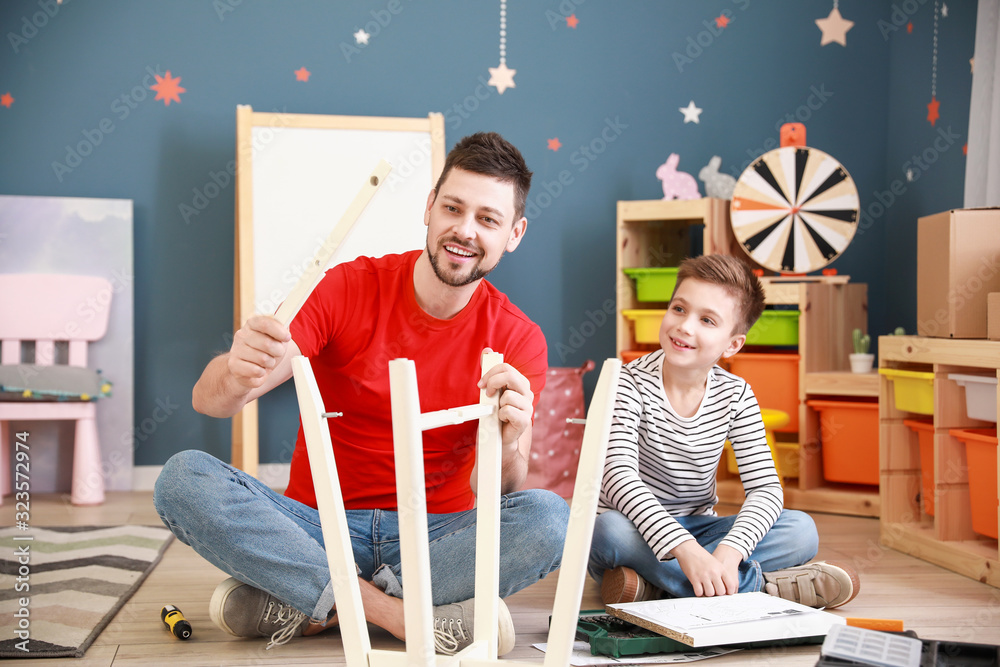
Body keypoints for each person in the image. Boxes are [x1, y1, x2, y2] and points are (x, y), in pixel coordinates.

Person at [153, 132, 569, 656]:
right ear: (428, 208)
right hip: (318, 526)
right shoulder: (347, 287)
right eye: (453, 208)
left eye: (488, 219)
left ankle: (315, 602)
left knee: (551, 518)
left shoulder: (518, 337)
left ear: (514, 233)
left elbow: (504, 491)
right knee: (183, 479)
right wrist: (236, 370)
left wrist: (509, 442)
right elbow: (211, 401)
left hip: (434, 538)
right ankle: (397, 616)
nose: (464, 230)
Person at [588, 254, 860, 609]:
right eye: (679, 309)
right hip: (633, 529)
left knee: (802, 530)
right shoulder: (626, 382)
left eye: (707, 320)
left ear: (733, 344)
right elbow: (618, 477)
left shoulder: (736, 394)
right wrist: (686, 551)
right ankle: (758, 587)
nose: (685, 326)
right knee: (609, 531)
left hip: (702, 529)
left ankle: (660, 586)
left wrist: (729, 554)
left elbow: (765, 489)